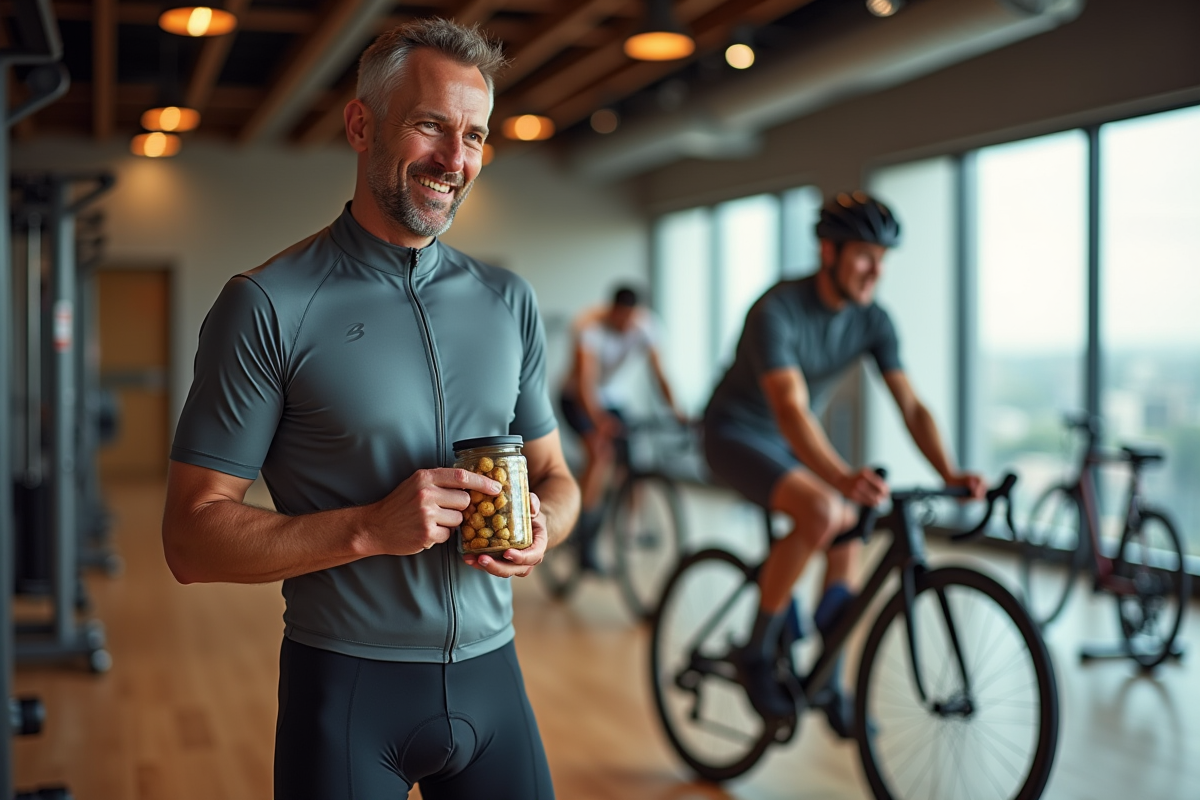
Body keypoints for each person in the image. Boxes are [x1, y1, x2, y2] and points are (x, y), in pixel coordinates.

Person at [161, 19, 579, 800]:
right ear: (362, 125)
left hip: (496, 681)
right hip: (349, 694)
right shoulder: (268, 305)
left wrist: (545, 524)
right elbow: (190, 537)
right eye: (430, 125)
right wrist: (368, 528)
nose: (455, 160)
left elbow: (556, 474)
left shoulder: (506, 300)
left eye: (475, 136)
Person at [702, 191, 985, 735]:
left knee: (852, 517)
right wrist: (837, 478)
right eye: (863, 255)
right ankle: (756, 652)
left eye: (883, 259)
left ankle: (825, 671)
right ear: (828, 253)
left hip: (788, 440)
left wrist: (950, 472)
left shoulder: (874, 319)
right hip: (733, 434)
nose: (876, 270)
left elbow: (911, 404)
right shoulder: (776, 309)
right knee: (824, 511)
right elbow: (789, 406)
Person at [558, 286, 682, 566]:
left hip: (614, 399)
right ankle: (583, 535)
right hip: (576, 398)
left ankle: (629, 528)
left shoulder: (647, 325)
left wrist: (676, 411)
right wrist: (598, 421)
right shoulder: (587, 326)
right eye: (622, 319)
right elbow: (585, 382)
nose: (627, 325)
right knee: (599, 454)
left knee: (631, 460)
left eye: (631, 320)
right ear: (612, 311)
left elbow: (660, 373)